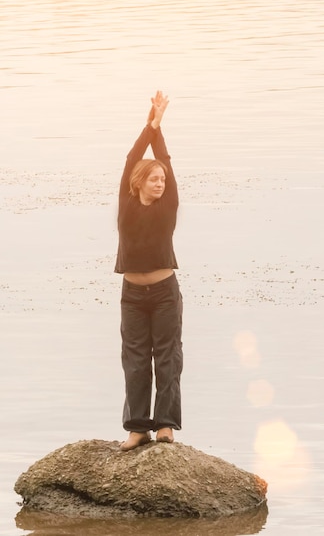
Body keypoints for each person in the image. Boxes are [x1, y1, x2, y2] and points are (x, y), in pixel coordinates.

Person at [115, 90, 183, 450]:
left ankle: (166, 425)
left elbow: (164, 159)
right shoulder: (126, 204)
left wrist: (160, 131)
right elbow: (131, 158)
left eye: (163, 180)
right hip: (132, 295)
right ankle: (138, 427)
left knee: (167, 356)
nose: (160, 183)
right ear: (139, 182)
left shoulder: (167, 204)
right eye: (154, 179)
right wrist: (149, 125)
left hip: (163, 293)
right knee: (136, 360)